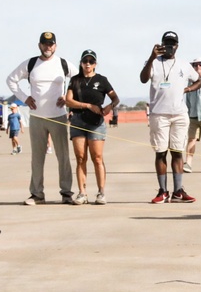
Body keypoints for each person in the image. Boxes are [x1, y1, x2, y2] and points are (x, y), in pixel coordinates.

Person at [6, 31, 75, 205]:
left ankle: (66, 193)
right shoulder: (30, 64)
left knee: (63, 157)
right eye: (44, 43)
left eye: (51, 44)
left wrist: (68, 97)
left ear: (55, 46)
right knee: (37, 157)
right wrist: (24, 98)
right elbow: (11, 80)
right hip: (37, 117)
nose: (48, 47)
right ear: (39, 45)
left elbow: (79, 79)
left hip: (58, 117)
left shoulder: (63, 64)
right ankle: (37, 194)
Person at [140, 31, 201, 203]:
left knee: (177, 153)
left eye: (172, 43)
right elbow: (143, 79)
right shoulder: (153, 63)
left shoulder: (183, 64)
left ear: (177, 46)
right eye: (166, 43)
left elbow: (199, 80)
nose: (169, 46)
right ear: (161, 44)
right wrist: (152, 58)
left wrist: (188, 89)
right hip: (159, 114)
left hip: (179, 114)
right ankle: (162, 191)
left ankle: (178, 191)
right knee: (160, 152)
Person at [64, 49, 118, 205]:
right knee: (81, 158)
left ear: (95, 64)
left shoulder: (102, 80)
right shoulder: (75, 80)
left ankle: (101, 192)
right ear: (81, 63)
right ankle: (82, 192)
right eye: (85, 61)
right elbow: (68, 100)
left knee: (97, 158)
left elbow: (115, 97)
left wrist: (109, 107)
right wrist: (87, 105)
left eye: (91, 61)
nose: (88, 64)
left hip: (96, 123)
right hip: (78, 120)